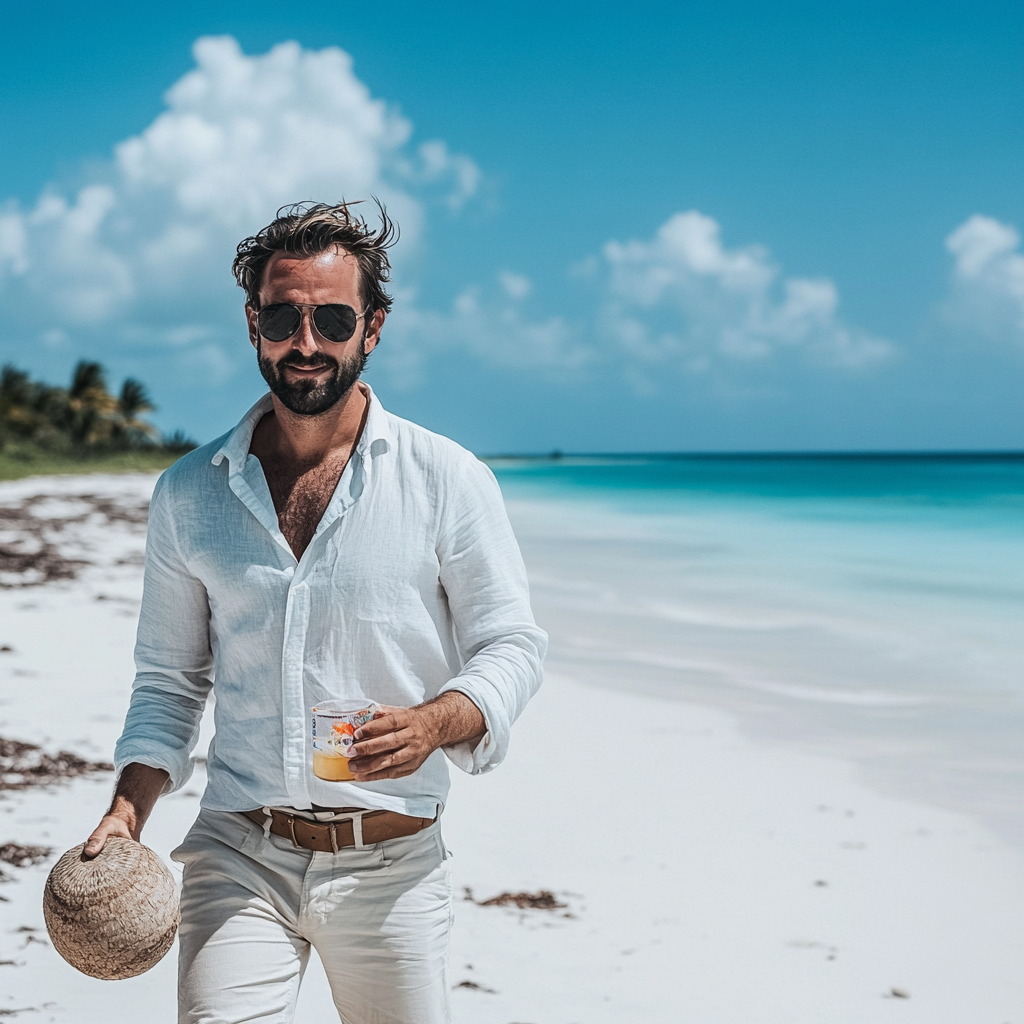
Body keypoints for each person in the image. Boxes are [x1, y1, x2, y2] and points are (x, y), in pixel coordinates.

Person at [84, 201, 547, 1024]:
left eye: (332, 318)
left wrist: (436, 722)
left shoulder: (447, 479)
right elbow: (169, 682)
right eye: (281, 317)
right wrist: (128, 810)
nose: (305, 343)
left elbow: (511, 644)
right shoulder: (189, 494)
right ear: (253, 324)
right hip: (237, 853)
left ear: (372, 328)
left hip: (393, 859)